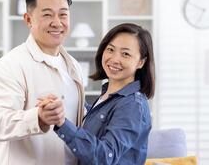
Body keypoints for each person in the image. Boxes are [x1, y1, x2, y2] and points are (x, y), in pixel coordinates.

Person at [0, 0, 85, 165]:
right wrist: (38, 117)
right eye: (47, 14)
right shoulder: (10, 65)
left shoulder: (73, 65)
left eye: (63, 14)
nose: (57, 22)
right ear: (29, 20)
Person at [38, 23, 155, 164]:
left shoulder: (132, 105)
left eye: (125, 54)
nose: (114, 59)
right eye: (111, 49)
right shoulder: (108, 97)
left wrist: (62, 123)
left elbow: (105, 157)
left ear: (141, 62)